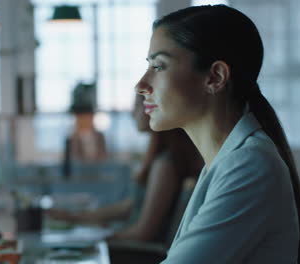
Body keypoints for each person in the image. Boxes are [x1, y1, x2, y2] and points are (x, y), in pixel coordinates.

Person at [135, 4, 300, 263]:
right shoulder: (226, 161)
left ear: (215, 77)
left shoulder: (250, 165)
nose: (141, 85)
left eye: (159, 66)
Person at [48, 94, 203, 244]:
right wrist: (74, 217)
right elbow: (128, 206)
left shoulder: (165, 165)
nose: (131, 113)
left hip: (137, 254)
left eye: (137, 106)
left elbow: (143, 233)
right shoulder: (159, 159)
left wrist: (94, 240)